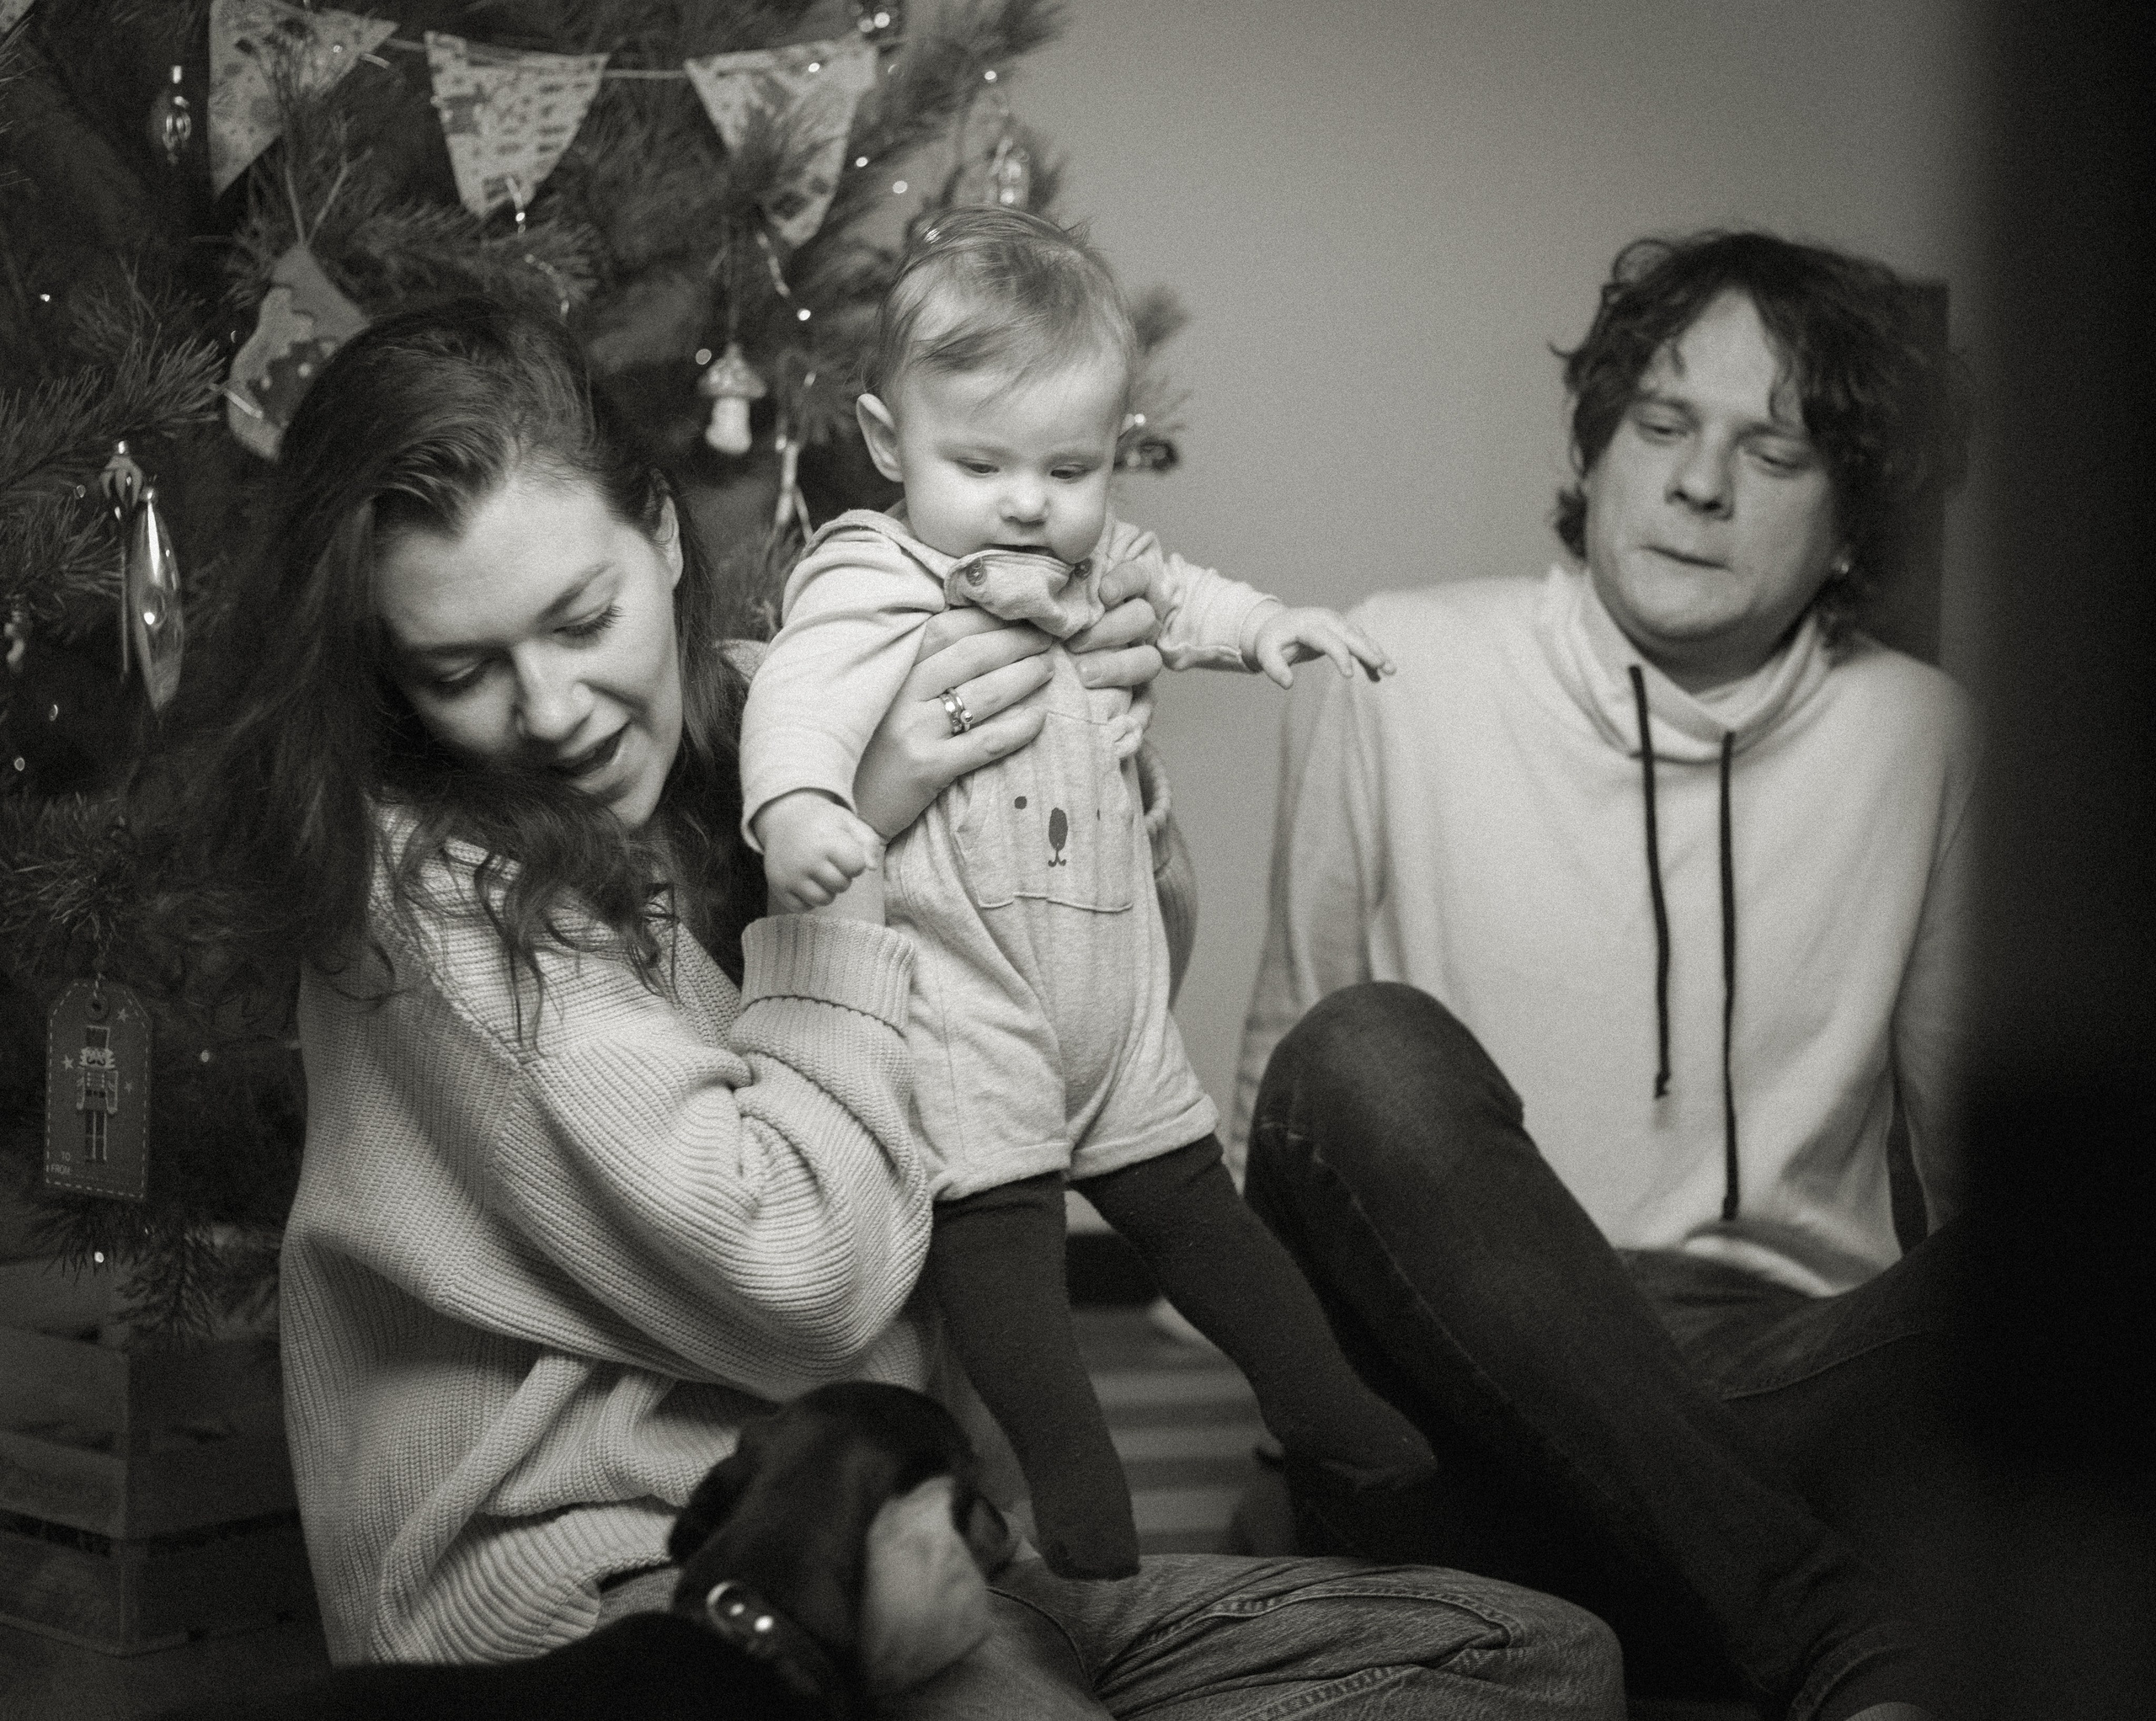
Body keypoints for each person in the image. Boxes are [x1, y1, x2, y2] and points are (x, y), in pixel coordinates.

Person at [164, 296, 1621, 1716]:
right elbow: (796, 1279)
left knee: (1537, 1660)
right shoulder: (431, 895)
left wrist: (1088, 771)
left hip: (922, 1546)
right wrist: (843, 863)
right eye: (462, 670)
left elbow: (1076, 1039)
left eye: (584, 618)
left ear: (664, 537)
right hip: (631, 1600)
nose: (550, 711)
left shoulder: (779, 710)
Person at [1229, 231, 1977, 1721]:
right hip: (1450, 1397)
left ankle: (1619, 1590)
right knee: (1359, 1050)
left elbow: (1975, 1184)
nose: (1700, 483)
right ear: (1602, 450)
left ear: (1852, 525)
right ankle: (1822, 1626)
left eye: (1773, 451)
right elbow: (1286, 1110)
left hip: (1778, 1372)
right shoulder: (1385, 668)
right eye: (1661, 425)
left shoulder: (1930, 735)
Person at [739, 207, 1432, 1581]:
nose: (1026, 500)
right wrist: (801, 806)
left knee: (1202, 1215)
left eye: (1070, 465)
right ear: (889, 445)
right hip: (971, 999)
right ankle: (1085, 1521)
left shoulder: (1098, 558)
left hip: (1107, 989)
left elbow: (1184, 596)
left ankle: (1340, 1420)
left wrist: (1268, 629)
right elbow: (800, 699)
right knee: (1015, 1288)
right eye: (980, 461)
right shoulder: (875, 571)